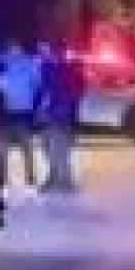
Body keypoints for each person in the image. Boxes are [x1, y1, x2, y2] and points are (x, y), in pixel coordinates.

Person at [0, 37, 44, 189]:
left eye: (13, 48)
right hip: (9, 114)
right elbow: (37, 85)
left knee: (22, 148)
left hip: (18, 114)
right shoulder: (6, 62)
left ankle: (27, 181)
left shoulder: (24, 64)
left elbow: (37, 85)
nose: (12, 52)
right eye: (10, 49)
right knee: (7, 149)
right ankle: (6, 182)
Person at [38, 43, 84, 194]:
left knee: (58, 149)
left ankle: (65, 181)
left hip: (59, 115)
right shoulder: (65, 69)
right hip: (55, 114)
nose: (43, 55)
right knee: (49, 148)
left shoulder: (62, 70)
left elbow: (64, 91)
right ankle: (55, 177)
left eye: (47, 52)